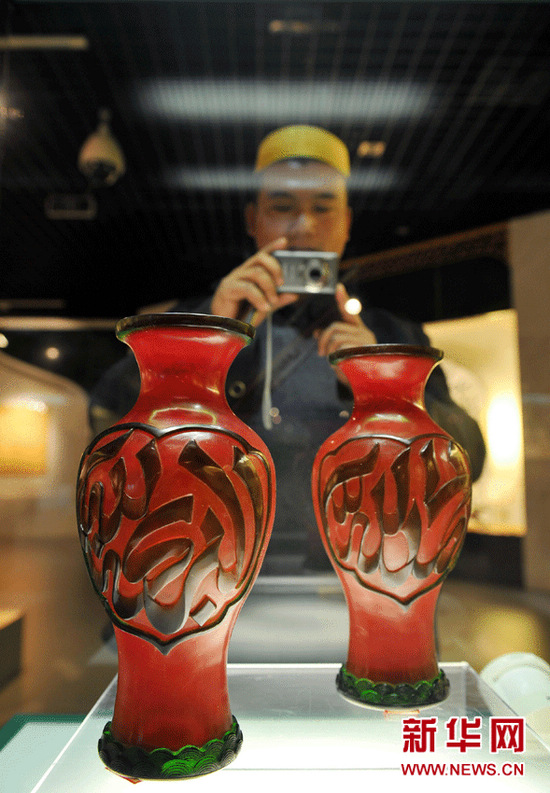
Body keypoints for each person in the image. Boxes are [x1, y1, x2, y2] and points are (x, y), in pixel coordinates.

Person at [90, 125, 485, 572]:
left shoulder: (391, 334)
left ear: (347, 223)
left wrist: (384, 380)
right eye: (282, 207)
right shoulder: (199, 319)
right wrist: (209, 338)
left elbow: (469, 457)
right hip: (219, 568)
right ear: (252, 220)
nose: (304, 226)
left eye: (323, 207)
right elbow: (106, 419)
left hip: (359, 567)